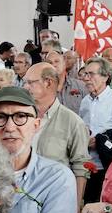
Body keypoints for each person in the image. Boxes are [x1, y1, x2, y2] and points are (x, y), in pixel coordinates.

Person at [21, 63, 91, 201]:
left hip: (55, 200)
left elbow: (80, 168)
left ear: (48, 83)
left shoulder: (73, 122)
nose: (25, 87)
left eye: (30, 82)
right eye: (25, 82)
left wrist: (75, 208)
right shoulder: (19, 116)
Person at [77, 58, 112, 144]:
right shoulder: (85, 101)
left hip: (108, 156)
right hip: (84, 154)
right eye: (85, 74)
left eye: (91, 74)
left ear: (105, 77)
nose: (86, 78)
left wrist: (103, 143)